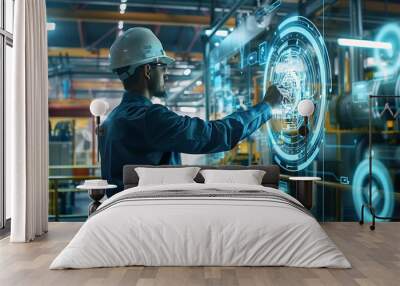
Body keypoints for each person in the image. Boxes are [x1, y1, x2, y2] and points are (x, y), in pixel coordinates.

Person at [99, 27, 283, 197]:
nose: (166, 74)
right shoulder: (150, 118)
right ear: (148, 70)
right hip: (152, 215)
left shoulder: (111, 120)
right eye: (163, 67)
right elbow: (214, 135)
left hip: (123, 212)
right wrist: (267, 106)